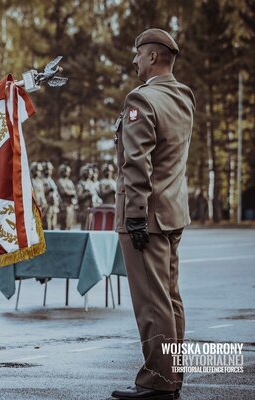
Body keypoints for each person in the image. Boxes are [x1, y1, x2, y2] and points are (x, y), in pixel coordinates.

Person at [111, 28, 195, 400]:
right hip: (173, 212)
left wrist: (134, 216)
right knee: (170, 299)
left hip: (146, 217)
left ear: (152, 57)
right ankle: (172, 377)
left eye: (137, 54)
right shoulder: (183, 95)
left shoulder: (141, 100)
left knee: (151, 302)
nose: (134, 61)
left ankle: (157, 381)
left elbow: (137, 163)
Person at [40, 161, 60, 230]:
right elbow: (41, 191)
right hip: (47, 206)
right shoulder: (42, 180)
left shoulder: (51, 180)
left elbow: (56, 192)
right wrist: (48, 190)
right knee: (46, 225)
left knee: (53, 225)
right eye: (48, 169)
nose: (50, 171)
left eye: (51, 169)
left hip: (53, 206)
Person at [57, 163, 77, 230]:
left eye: (68, 172)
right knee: (64, 224)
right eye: (66, 171)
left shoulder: (70, 181)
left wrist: (71, 192)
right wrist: (71, 192)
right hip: (64, 206)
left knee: (70, 224)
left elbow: (74, 191)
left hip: (71, 205)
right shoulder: (60, 181)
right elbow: (64, 192)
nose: (67, 173)